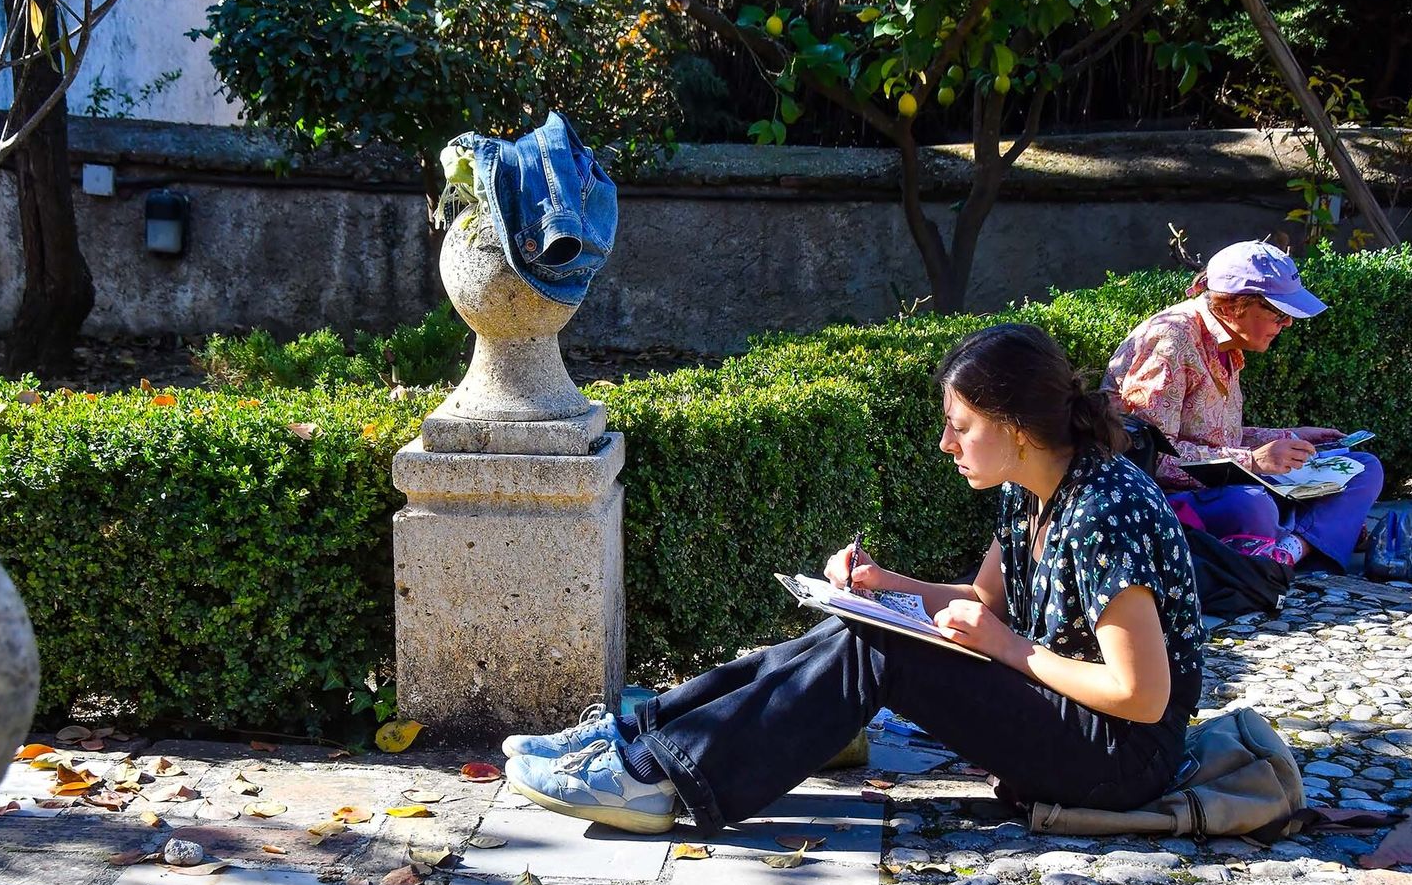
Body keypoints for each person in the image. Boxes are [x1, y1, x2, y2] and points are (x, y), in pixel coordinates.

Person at [501, 324, 1206, 835]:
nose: (946, 443)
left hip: (1120, 759)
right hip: (1073, 715)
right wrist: (879, 583)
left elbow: (1140, 697)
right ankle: (642, 734)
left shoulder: (1103, 510)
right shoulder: (1031, 487)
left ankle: (655, 780)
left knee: (882, 652)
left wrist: (1005, 647)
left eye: (960, 426)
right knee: (864, 626)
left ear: (1015, 426)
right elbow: (982, 602)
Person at [1102, 239, 1383, 571]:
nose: (1287, 323)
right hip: (1167, 499)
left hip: (1222, 482)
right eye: (1278, 313)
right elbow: (1145, 457)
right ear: (1235, 305)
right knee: (1254, 507)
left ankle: (1290, 549)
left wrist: (1288, 436)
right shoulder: (1170, 343)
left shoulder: (1226, 342)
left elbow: (1216, 436)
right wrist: (1254, 461)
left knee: (1364, 467)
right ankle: (1317, 533)